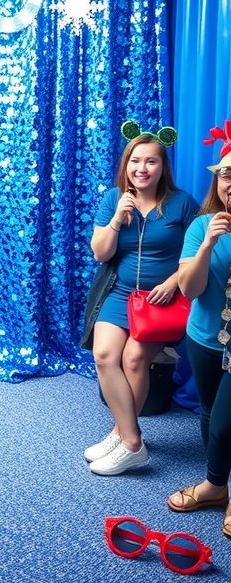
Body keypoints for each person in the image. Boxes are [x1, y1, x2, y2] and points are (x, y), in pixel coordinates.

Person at [82, 124, 198, 475]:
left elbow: (197, 254)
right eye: (136, 161)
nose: (142, 168)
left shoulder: (182, 203)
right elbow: (101, 253)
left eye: (151, 161)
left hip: (162, 302)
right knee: (104, 356)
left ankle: (125, 438)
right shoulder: (114, 198)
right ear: (126, 164)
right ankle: (130, 439)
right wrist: (118, 219)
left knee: (134, 359)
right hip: (120, 294)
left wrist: (174, 281)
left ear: (163, 167)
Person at [167, 130, 231, 539]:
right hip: (205, 338)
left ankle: (214, 485)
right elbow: (189, 290)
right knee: (209, 415)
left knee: (226, 424)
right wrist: (208, 244)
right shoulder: (202, 226)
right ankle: (217, 485)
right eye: (228, 177)